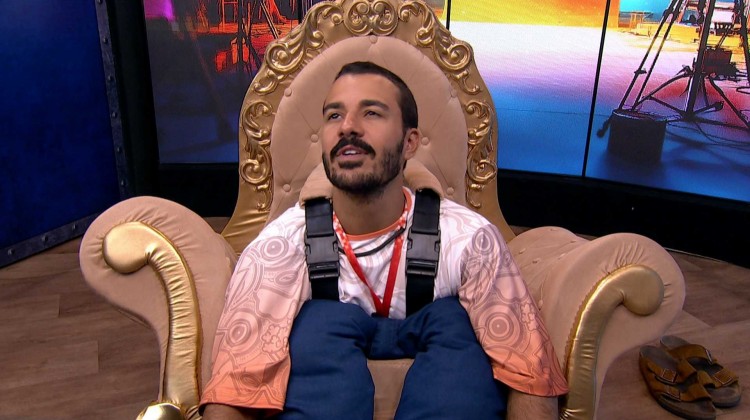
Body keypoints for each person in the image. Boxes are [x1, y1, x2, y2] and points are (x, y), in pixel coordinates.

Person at [200, 61, 568, 419]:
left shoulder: (471, 239)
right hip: (324, 353)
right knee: (316, 324)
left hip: (442, 350)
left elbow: (529, 376)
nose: (347, 127)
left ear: (410, 142)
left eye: (371, 113)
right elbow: (235, 389)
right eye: (333, 115)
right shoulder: (278, 248)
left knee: (456, 323)